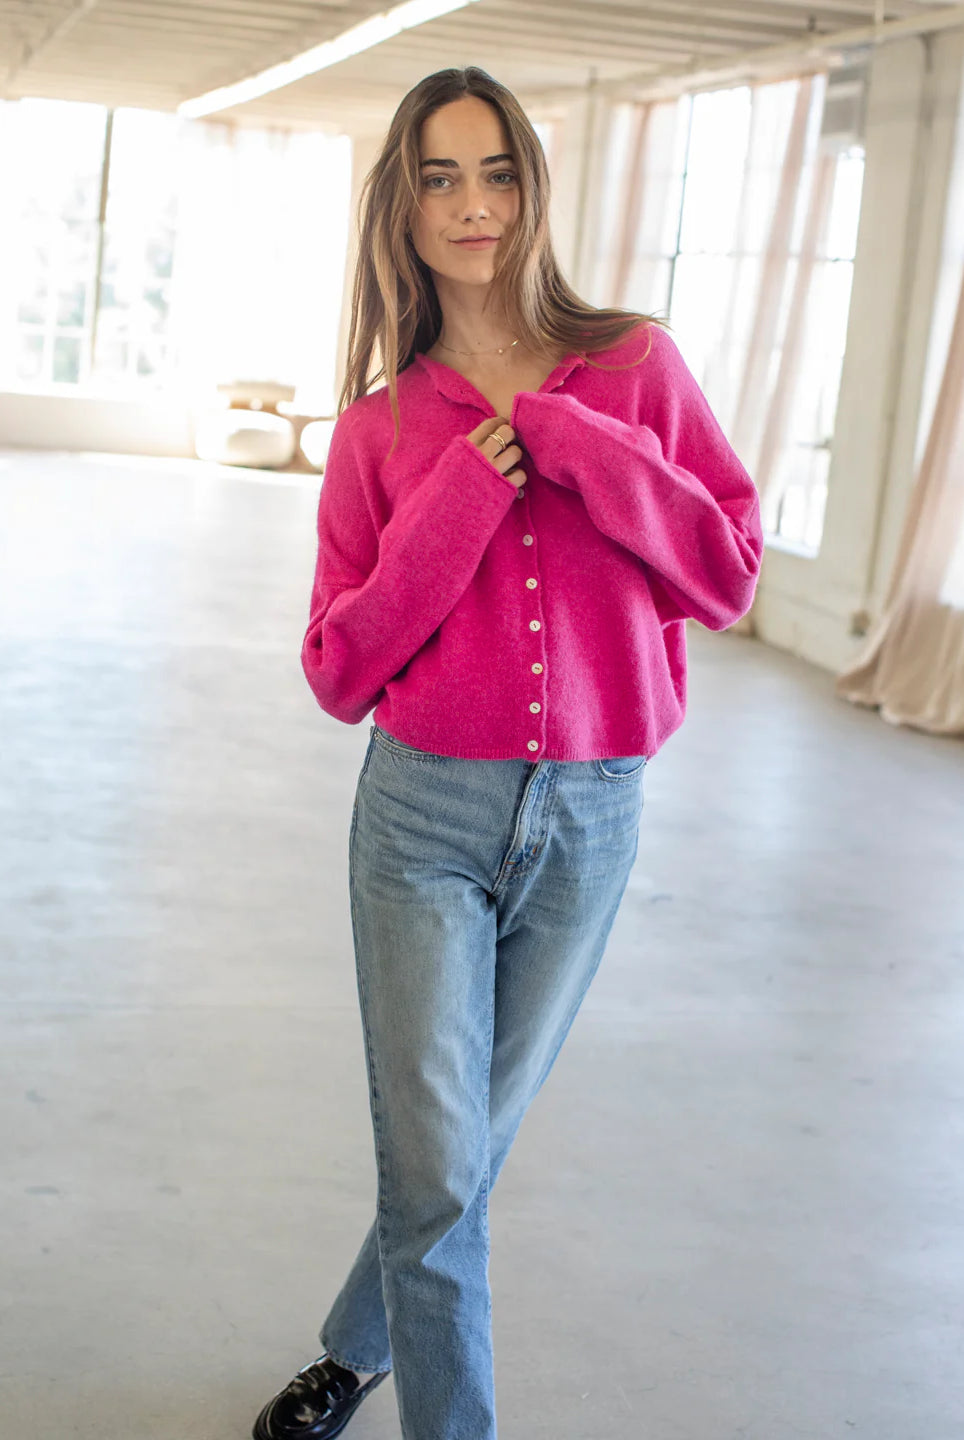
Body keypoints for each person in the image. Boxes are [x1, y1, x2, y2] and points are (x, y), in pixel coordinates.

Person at [253, 64, 763, 1440]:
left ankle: (351, 1352)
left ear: (532, 187)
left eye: (495, 170)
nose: (472, 204)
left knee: (458, 1159)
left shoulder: (636, 369)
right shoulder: (377, 430)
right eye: (438, 176)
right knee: (434, 1171)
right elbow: (339, 668)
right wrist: (465, 491)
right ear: (403, 210)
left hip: (595, 817)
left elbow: (724, 575)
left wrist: (580, 440)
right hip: (423, 821)